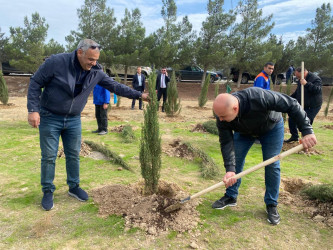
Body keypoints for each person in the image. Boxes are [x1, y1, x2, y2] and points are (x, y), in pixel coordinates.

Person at [27, 39, 149, 211]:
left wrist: (139, 95)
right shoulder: (56, 62)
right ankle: (48, 191)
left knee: (73, 154)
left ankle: (74, 187)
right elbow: (35, 82)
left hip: (73, 119)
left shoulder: (96, 71)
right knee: (48, 156)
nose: (93, 63)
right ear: (79, 53)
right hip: (50, 116)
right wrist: (33, 109)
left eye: (96, 60)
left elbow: (115, 86)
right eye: (90, 59)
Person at [212, 87, 317, 225]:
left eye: (223, 117)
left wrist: (307, 130)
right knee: (235, 161)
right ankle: (231, 196)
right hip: (244, 132)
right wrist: (230, 169)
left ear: (235, 109)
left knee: (272, 164)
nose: (220, 119)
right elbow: (226, 143)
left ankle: (271, 204)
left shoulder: (259, 97)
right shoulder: (222, 116)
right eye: (218, 116)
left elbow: (292, 104)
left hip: (271, 128)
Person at [284, 67, 322, 143]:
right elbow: (298, 92)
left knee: (306, 122)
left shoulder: (315, 79)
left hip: (313, 106)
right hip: (302, 105)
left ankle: (306, 141)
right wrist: (288, 98)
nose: (297, 78)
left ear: (303, 73)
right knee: (291, 118)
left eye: (298, 76)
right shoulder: (300, 80)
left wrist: (306, 84)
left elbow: (317, 90)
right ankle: (294, 137)